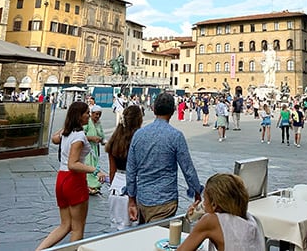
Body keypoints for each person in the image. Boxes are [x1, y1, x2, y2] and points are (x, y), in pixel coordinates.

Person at [35, 101, 104, 250]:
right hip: (74, 181)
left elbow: (54, 138)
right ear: (79, 116)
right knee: (78, 228)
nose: (88, 115)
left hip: (61, 178)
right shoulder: (78, 136)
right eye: (86, 112)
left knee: (65, 225)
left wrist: (67, 125)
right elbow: (74, 164)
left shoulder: (67, 132)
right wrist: (95, 170)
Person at [126, 92, 202, 224]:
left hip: (143, 198)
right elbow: (187, 168)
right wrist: (196, 190)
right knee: (159, 238)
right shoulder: (175, 136)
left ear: (154, 109)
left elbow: (131, 169)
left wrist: (131, 199)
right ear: (173, 111)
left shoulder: (139, 135)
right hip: (165, 199)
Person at [178, 173, 264, 251]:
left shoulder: (210, 221)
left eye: (205, 199)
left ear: (214, 204)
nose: (203, 204)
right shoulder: (249, 219)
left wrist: (201, 219)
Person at [105, 105, 143, 231]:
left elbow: (112, 171)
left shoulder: (114, 140)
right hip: (135, 186)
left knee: (118, 230)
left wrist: (112, 185)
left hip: (116, 187)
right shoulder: (139, 140)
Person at [83, 105, 106, 195]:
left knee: (95, 165)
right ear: (91, 114)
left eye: (99, 115)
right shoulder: (87, 122)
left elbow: (102, 135)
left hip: (95, 149)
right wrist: (91, 138)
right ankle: (89, 186)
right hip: (87, 149)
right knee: (89, 166)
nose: (97, 116)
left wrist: (103, 140)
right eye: (96, 114)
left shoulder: (98, 123)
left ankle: (94, 185)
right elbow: (81, 135)